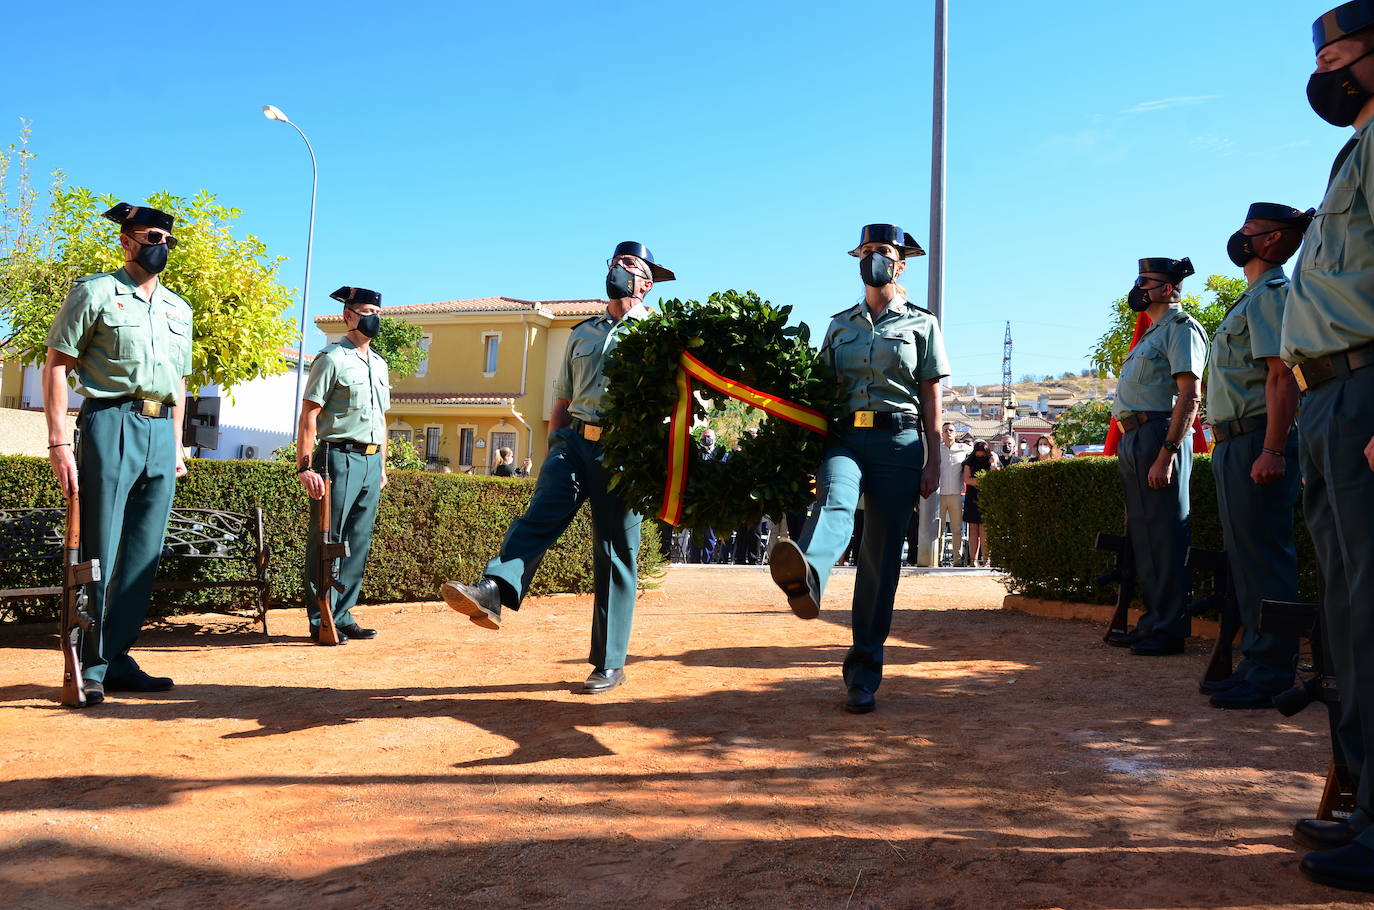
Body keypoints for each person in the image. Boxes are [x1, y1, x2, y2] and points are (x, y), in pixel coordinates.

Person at [439, 241, 673, 694]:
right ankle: (494, 589)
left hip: (626, 452)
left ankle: (610, 662)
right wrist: (554, 446)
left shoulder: (659, 335)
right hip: (575, 442)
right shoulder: (582, 333)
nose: (618, 270)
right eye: (616, 262)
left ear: (645, 283)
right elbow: (562, 399)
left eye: (629, 265)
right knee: (541, 513)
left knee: (615, 553)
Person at [770, 223, 948, 714]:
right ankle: (808, 577)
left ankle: (863, 674)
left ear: (901, 263)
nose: (874, 258)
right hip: (845, 436)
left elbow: (932, 393)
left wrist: (933, 456)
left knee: (880, 558)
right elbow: (820, 390)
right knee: (836, 500)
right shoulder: (838, 325)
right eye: (867, 251)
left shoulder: (922, 324)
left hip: (899, 440)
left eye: (883, 251)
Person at [1282, 3, 1374, 889]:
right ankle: (1358, 799)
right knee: (1347, 614)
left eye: (1345, 52)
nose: (1329, 69)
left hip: (1363, 387)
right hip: (1325, 397)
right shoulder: (1357, 148)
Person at [41, 202, 191, 704]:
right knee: (99, 547)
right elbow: (57, 364)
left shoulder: (178, 308)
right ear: (126, 241)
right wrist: (59, 440)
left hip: (159, 431)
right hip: (109, 420)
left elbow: (180, 382)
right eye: (152, 237)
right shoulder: (95, 292)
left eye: (167, 240)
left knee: (144, 554)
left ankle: (119, 655)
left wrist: (177, 443)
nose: (160, 247)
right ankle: (88, 661)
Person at [1203, 202, 1310, 711]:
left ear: (1272, 241)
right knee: (1245, 560)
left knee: (1265, 558)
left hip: (1256, 440)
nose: (1239, 237)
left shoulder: (1272, 295)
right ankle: (1255, 662)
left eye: (1249, 231)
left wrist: (1272, 448)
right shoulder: (1248, 300)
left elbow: (1280, 376)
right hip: (1233, 441)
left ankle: (1271, 671)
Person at [1107, 257, 1206, 656]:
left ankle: (1169, 629)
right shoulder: (1153, 333)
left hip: (1159, 436)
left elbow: (1190, 395)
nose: (1137, 288)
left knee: (1166, 535)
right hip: (1136, 436)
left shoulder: (1182, 329)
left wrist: (1166, 453)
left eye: (1144, 282)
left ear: (1167, 289)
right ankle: (1154, 622)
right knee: (1145, 538)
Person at [297, 286, 391, 646]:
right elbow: (310, 415)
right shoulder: (332, 358)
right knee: (327, 539)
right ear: (348, 315)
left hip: (369, 461)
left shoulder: (379, 364)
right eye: (366, 311)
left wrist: (381, 464)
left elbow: (381, 419)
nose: (373, 318)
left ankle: (344, 614)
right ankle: (321, 617)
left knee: (358, 541)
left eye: (378, 312)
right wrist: (305, 466)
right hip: (336, 456)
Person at [962, 440, 998, 567]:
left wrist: (993, 463)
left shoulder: (991, 459)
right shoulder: (969, 462)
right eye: (978, 453)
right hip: (972, 498)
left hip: (986, 498)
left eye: (982, 453)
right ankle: (973, 561)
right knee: (973, 530)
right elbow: (967, 479)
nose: (980, 456)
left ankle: (986, 560)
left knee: (985, 530)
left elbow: (995, 476)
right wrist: (984, 481)